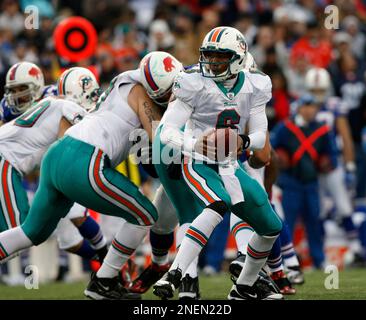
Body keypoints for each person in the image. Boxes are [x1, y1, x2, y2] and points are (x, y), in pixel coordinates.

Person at [153, 26, 283, 300]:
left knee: (271, 226)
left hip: (230, 166)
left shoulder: (255, 84)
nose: (211, 62)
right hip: (196, 160)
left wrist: (243, 141)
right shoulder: (193, 82)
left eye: (220, 57)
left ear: (237, 58)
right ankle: (174, 275)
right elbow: (165, 130)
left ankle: (245, 287)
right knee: (217, 203)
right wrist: (193, 144)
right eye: (208, 56)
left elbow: (260, 135)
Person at [305, 67, 366, 264]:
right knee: (319, 210)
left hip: (332, 164)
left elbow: (345, 136)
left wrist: (349, 165)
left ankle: (356, 247)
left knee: (343, 205)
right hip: (312, 166)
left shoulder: (334, 105)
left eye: (320, 90)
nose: (317, 95)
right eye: (314, 91)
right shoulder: (302, 106)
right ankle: (322, 253)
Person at [271, 93, 338, 268]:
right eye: (306, 106)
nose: (309, 110)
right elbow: (272, 146)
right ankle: (286, 261)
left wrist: (327, 162)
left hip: (311, 183)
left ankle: (319, 259)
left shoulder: (323, 129)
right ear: (299, 108)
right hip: (290, 182)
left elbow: (332, 155)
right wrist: (280, 156)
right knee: (287, 224)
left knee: (314, 222)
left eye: (312, 106)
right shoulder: (286, 127)